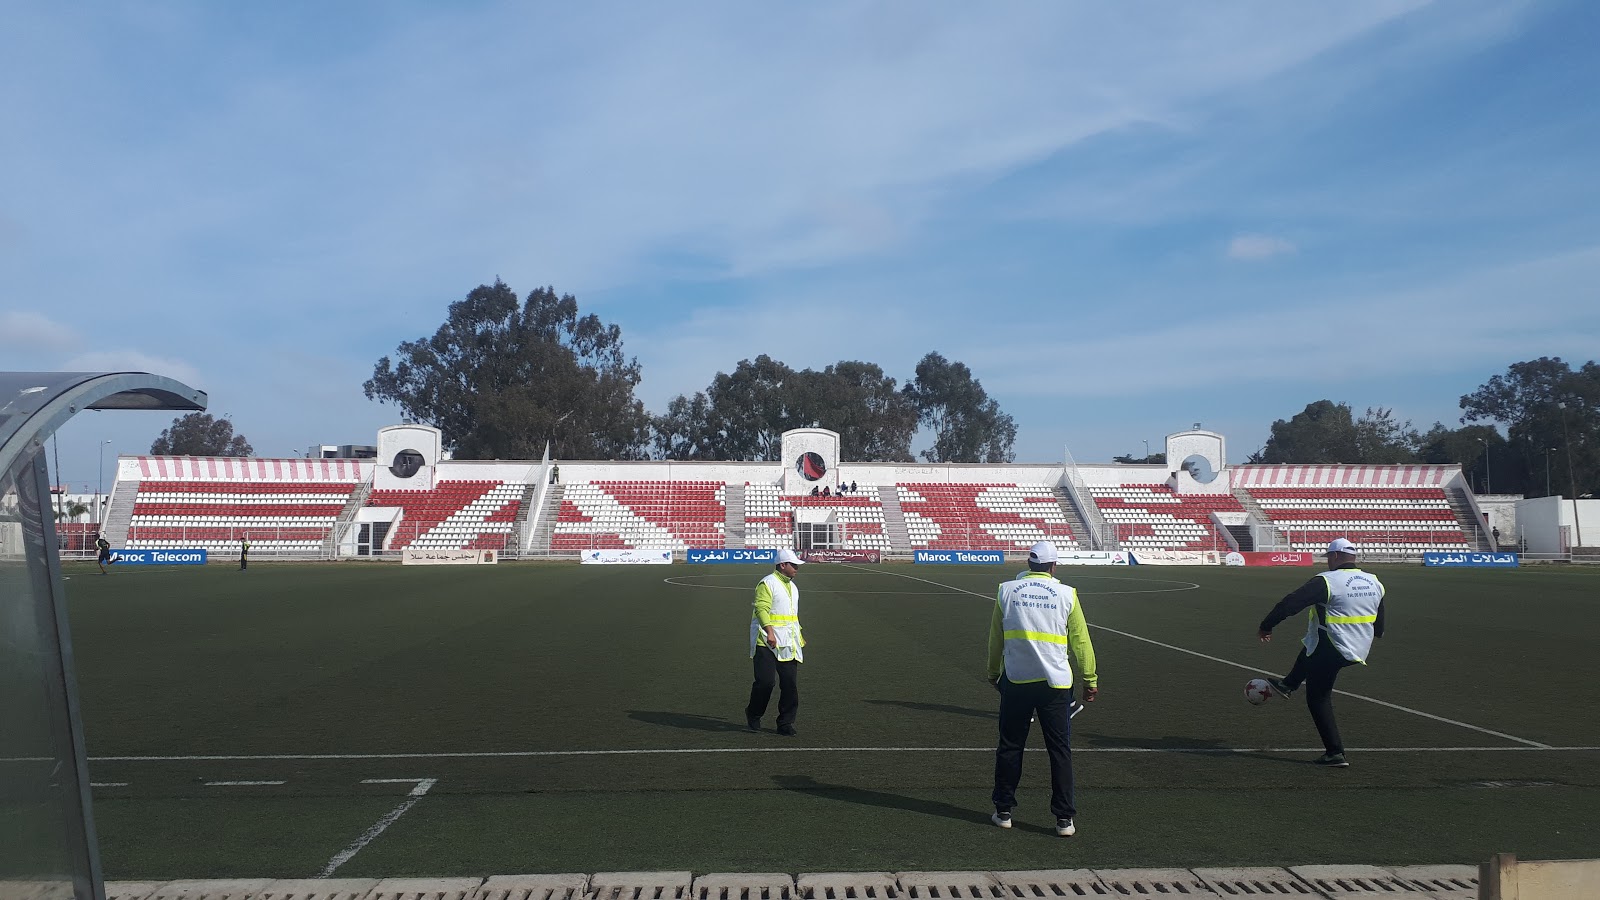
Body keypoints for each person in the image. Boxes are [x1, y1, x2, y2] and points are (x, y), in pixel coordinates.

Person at [988, 541, 1097, 837]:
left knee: (1010, 747)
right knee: (1060, 751)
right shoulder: (1066, 594)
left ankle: (1004, 811)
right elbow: (1081, 642)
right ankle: (1064, 819)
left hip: (1017, 680)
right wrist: (1090, 679)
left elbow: (996, 637)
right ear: (1053, 566)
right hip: (1056, 685)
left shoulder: (1006, 590)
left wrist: (992, 672)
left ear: (1028, 563)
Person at [1257, 537, 1386, 768]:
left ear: (1335, 556)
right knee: (1312, 643)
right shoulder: (1373, 581)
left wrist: (1267, 625)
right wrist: (1377, 632)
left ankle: (1335, 753)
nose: (1327, 562)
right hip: (1360, 646)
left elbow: (1291, 603)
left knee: (1318, 696)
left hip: (1336, 645)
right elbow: (1379, 619)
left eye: (1329, 557)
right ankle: (1288, 684)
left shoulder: (1327, 581)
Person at [746, 548, 806, 736]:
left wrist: (800, 636)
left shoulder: (793, 587)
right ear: (783, 565)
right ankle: (754, 713)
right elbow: (761, 609)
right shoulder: (767, 583)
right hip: (766, 641)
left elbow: (791, 616)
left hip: (788, 642)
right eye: (793, 565)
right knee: (766, 682)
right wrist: (770, 632)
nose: (797, 568)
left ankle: (785, 722)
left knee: (789, 684)